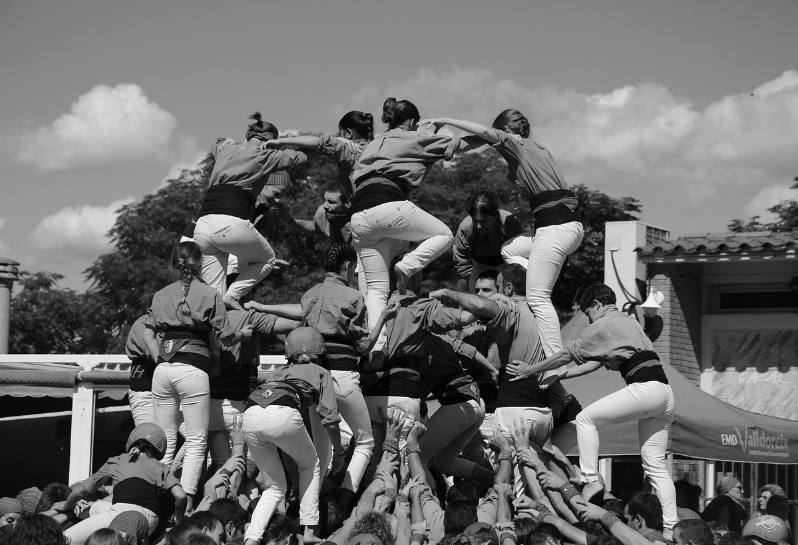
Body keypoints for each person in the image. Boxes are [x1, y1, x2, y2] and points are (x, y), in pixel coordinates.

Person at [419, 112, 584, 365]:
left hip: (556, 229)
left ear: (507, 130)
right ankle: (542, 272)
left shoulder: (517, 145)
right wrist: (453, 146)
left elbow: (486, 134)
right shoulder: (537, 150)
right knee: (509, 250)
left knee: (539, 297)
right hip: (560, 226)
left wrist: (446, 120)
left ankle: (555, 360)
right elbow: (481, 141)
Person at [516, 281, 677, 534]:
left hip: (646, 388)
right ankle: (670, 528)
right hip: (664, 394)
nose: (590, 321)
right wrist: (561, 376)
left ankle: (590, 479)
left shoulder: (604, 324)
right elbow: (593, 364)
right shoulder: (630, 322)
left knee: (585, 419)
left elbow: (564, 355)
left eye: (589, 313)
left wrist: (532, 369)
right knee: (655, 467)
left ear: (597, 305)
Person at [247, 243, 374, 510]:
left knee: (320, 454)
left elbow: (299, 311)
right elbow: (362, 343)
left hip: (316, 379)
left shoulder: (311, 294)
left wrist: (263, 305)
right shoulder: (354, 296)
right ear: (349, 267)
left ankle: (311, 508)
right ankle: (344, 502)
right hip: (345, 376)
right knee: (365, 441)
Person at [348, 97, 479, 352]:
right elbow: (464, 144)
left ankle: (377, 348)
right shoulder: (415, 138)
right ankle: (406, 266)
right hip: (386, 205)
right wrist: (493, 137)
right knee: (444, 234)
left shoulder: (375, 142)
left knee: (375, 289)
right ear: (411, 121)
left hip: (357, 218)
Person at [144, 241, 253, 510]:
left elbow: (148, 333)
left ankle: (160, 498)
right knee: (195, 440)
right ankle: (188, 504)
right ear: (201, 264)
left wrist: (161, 357)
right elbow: (225, 336)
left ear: (174, 264)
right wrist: (243, 335)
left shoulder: (160, 294)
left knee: (164, 439)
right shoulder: (210, 293)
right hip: (193, 370)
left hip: (163, 370)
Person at [193, 112, 307, 309]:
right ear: (270, 140)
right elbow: (302, 157)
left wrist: (236, 143)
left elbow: (216, 141)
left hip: (202, 226)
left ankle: (213, 333)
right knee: (268, 259)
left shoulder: (225, 148)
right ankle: (233, 295)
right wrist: (277, 145)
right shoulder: (266, 155)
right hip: (228, 222)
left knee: (213, 298)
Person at [242, 327, 344, 544]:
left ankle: (251, 539)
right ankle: (309, 532)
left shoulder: (280, 372)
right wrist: (340, 453)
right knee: (310, 465)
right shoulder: (321, 372)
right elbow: (330, 421)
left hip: (251, 411)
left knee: (275, 486)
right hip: (282, 411)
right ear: (319, 356)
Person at [56, 423, 185, 545]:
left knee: (62, 539)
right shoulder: (162, 466)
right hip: (151, 520)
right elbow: (181, 496)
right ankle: (88, 505)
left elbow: (81, 490)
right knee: (96, 507)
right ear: (158, 449)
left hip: (123, 513)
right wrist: (178, 522)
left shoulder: (117, 460)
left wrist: (67, 505)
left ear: (132, 441)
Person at [263, 110, 375, 197]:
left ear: (348, 133)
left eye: (339, 133)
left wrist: (280, 141)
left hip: (364, 208)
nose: (338, 137)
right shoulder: (378, 147)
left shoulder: (348, 148)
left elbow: (318, 142)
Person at [453, 192, 524, 292]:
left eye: (483, 221)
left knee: (509, 296)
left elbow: (519, 262)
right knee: (475, 299)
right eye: (475, 221)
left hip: (507, 262)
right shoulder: (465, 229)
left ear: (495, 216)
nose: (478, 226)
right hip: (479, 263)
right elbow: (463, 270)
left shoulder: (510, 223)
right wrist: (461, 303)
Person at [125, 314, 157, 426]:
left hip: (176, 387)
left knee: (195, 439)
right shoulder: (143, 322)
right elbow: (152, 351)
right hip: (146, 390)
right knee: (148, 437)